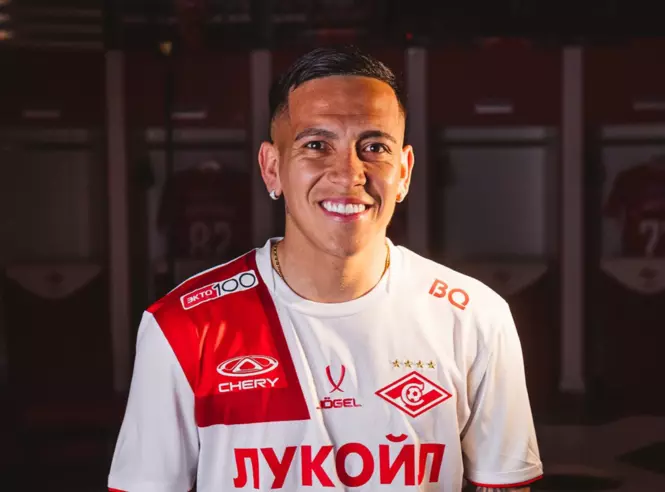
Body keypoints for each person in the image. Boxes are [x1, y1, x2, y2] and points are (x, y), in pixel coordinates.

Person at [108, 46, 543, 492]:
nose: (349, 173)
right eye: (316, 145)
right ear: (272, 169)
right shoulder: (183, 326)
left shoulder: (474, 317)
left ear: (404, 172)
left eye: (374, 147)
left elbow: (504, 483)